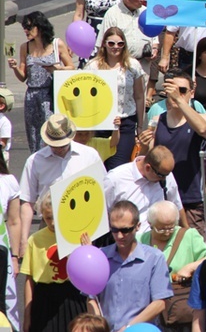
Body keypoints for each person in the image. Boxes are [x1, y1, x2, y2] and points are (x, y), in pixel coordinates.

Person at [19, 114, 106, 257]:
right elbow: (27, 202)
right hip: (49, 224)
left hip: (83, 224)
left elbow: (102, 190)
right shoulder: (35, 161)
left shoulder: (89, 155)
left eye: (62, 145)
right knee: (47, 273)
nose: (58, 149)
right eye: (54, 145)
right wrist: (23, 240)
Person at [141, 70, 206, 234]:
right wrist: (144, 146)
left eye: (182, 90)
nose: (176, 95)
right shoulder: (158, 120)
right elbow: (149, 159)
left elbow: (203, 128)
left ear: (191, 93)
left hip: (192, 198)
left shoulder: (202, 118)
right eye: (173, 90)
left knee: (196, 247)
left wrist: (180, 101)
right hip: (164, 197)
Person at [97, 200, 173, 331]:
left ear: (138, 226)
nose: (119, 235)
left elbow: (160, 303)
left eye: (125, 230)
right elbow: (91, 298)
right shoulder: (101, 257)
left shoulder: (154, 258)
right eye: (114, 229)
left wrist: (129, 328)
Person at [7, 12, 74, 153]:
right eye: (24, 27)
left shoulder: (56, 44)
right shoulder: (25, 47)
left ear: (39, 27)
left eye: (29, 27)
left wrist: (57, 69)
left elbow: (71, 67)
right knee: (33, 134)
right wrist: (15, 67)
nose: (26, 31)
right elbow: (22, 77)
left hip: (50, 93)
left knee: (51, 130)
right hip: (32, 95)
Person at [20, 192, 87, 332]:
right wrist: (27, 316)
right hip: (44, 297)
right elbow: (29, 279)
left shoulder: (76, 235)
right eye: (48, 218)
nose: (52, 222)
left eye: (55, 217)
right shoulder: (35, 239)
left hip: (71, 295)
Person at [85, 26, 145, 169]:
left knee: (118, 166)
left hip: (125, 121)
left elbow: (139, 96)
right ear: (104, 44)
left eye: (120, 44)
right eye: (111, 43)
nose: (115, 47)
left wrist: (141, 126)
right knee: (97, 166)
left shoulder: (133, 65)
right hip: (99, 122)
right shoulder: (92, 66)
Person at [105, 145, 186, 233]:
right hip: (129, 242)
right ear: (148, 168)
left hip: (161, 240)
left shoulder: (165, 174)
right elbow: (104, 214)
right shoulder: (115, 179)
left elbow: (176, 205)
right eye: (161, 176)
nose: (164, 179)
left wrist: (187, 231)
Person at [95, 0, 159, 76]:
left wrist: (154, 49)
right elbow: (103, 43)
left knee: (141, 91)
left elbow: (155, 38)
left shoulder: (146, 13)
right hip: (120, 67)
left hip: (143, 66)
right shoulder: (113, 14)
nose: (143, 0)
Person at [138, 200, 206, 284]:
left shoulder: (189, 235)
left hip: (180, 294)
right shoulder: (139, 240)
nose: (167, 233)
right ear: (150, 224)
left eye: (171, 228)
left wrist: (190, 267)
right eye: (161, 229)